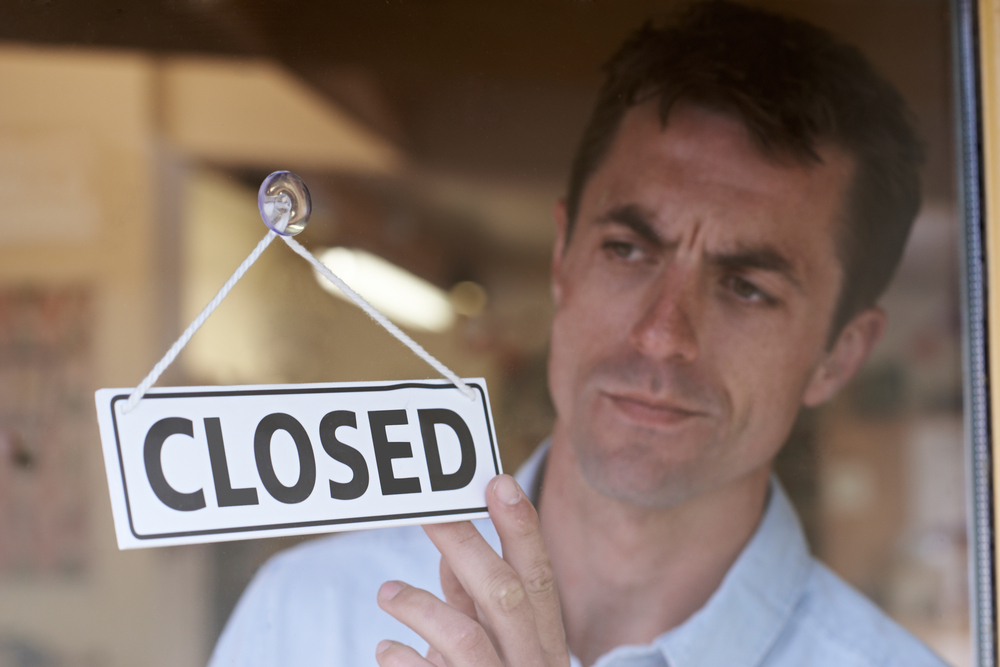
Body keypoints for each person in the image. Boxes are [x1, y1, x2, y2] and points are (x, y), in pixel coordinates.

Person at [209, 2, 948, 666]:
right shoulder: (304, 618)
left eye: (748, 287)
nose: (662, 334)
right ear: (563, 259)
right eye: (627, 250)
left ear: (839, 355)